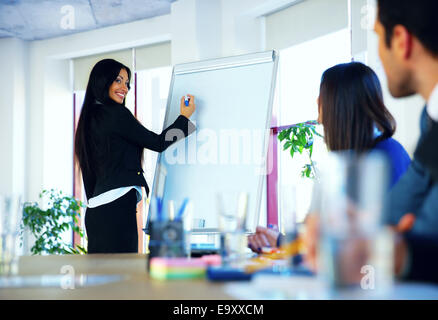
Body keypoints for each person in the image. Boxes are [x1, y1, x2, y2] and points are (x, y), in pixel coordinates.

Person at [248, 62, 410, 253]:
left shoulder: (384, 159)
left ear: (339, 110)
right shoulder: (348, 163)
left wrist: (287, 241)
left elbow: (359, 244)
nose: (319, 120)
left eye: (321, 105)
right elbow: (322, 233)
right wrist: (279, 240)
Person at [74, 59, 196, 254]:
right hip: (117, 209)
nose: (125, 88)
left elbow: (89, 175)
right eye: (118, 80)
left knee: (101, 278)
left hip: (95, 213)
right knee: (123, 275)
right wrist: (184, 118)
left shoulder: (90, 118)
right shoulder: (115, 114)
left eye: (127, 83)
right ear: (102, 81)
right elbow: (157, 143)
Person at [373, 0, 438, 282]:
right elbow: (390, 218)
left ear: (400, 40)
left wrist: (397, 250)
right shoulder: (431, 117)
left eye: (377, 35)